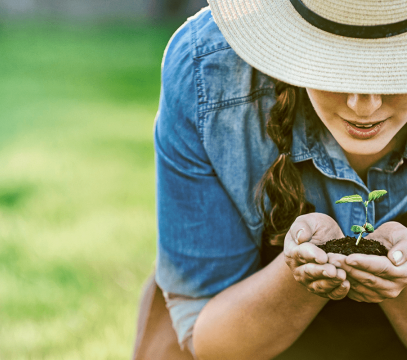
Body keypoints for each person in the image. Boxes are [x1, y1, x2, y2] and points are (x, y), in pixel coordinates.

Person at [153, 0, 407, 359]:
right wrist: (302, 275)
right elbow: (208, 342)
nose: (363, 105)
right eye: (335, 64)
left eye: (392, 69)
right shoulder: (208, 73)